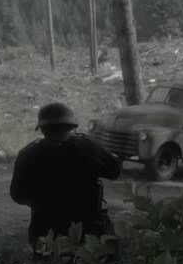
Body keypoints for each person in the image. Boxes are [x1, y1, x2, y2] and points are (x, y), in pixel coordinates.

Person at [10, 103, 121, 248]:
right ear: (71, 126)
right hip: (88, 232)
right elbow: (114, 172)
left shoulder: (27, 153)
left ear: (42, 129)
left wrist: (42, 201)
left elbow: (17, 195)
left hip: (45, 232)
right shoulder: (90, 146)